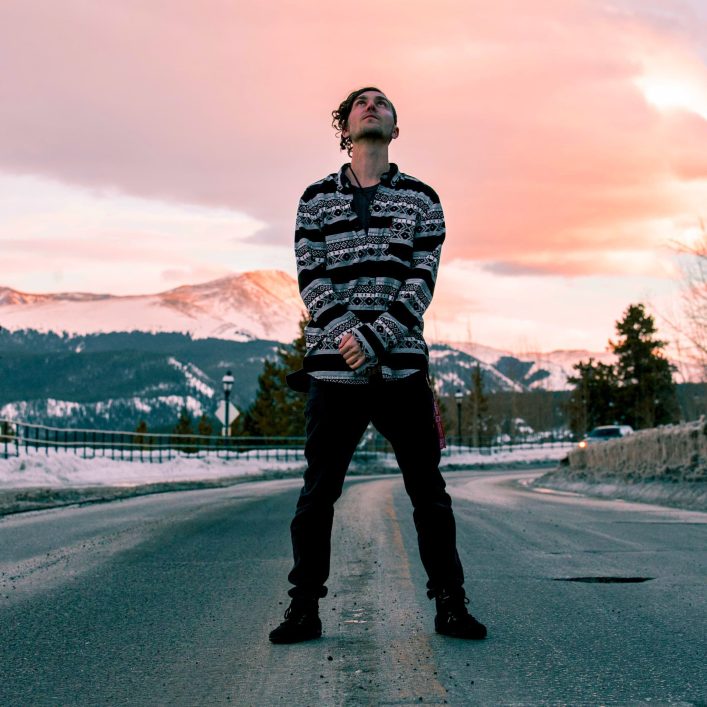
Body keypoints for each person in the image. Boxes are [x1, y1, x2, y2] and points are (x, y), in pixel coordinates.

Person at [269, 87, 487, 643]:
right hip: (332, 372)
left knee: (428, 493)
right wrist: (348, 336)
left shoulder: (422, 199)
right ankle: (303, 608)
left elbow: (421, 280)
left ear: (394, 127)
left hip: (402, 372)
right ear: (344, 126)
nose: (372, 106)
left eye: (382, 102)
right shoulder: (315, 199)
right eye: (361, 102)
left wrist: (374, 339)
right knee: (317, 495)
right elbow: (311, 277)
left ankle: (451, 604)